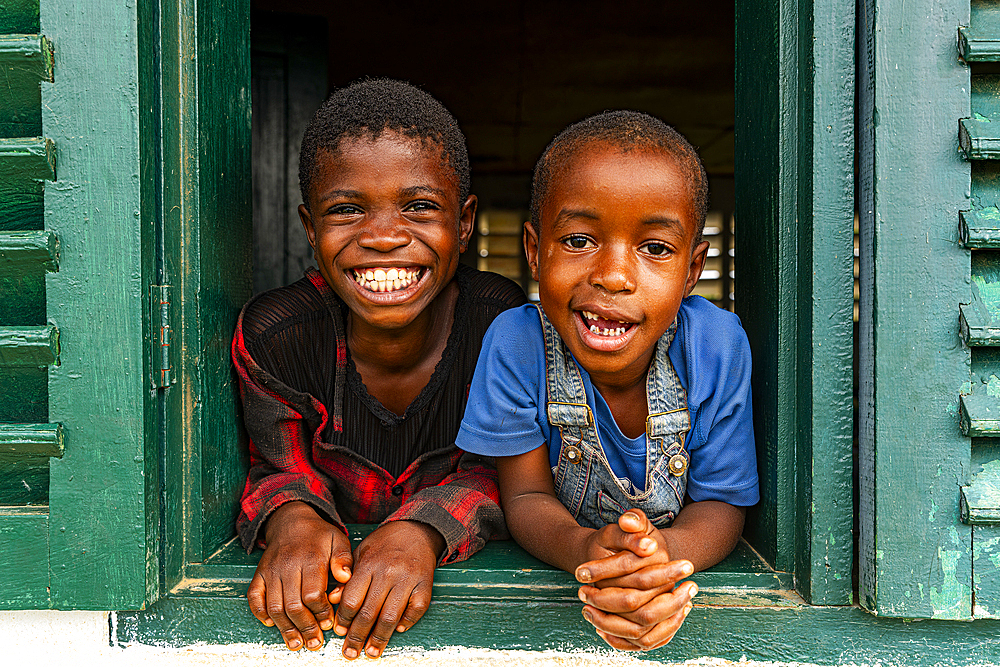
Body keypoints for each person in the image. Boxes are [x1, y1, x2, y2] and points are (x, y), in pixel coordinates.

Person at [232, 78, 525, 659]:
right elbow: (278, 464)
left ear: (464, 223)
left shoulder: (504, 327)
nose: (385, 237)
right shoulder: (278, 338)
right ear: (310, 228)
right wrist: (294, 517)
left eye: (419, 207)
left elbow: (513, 477)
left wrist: (421, 530)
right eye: (346, 210)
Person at [456, 110, 759, 651]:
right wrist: (586, 551)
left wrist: (661, 562)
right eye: (578, 240)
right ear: (533, 250)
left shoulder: (716, 345)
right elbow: (524, 495)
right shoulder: (517, 344)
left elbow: (722, 504)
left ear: (693, 271)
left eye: (655, 248)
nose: (614, 275)